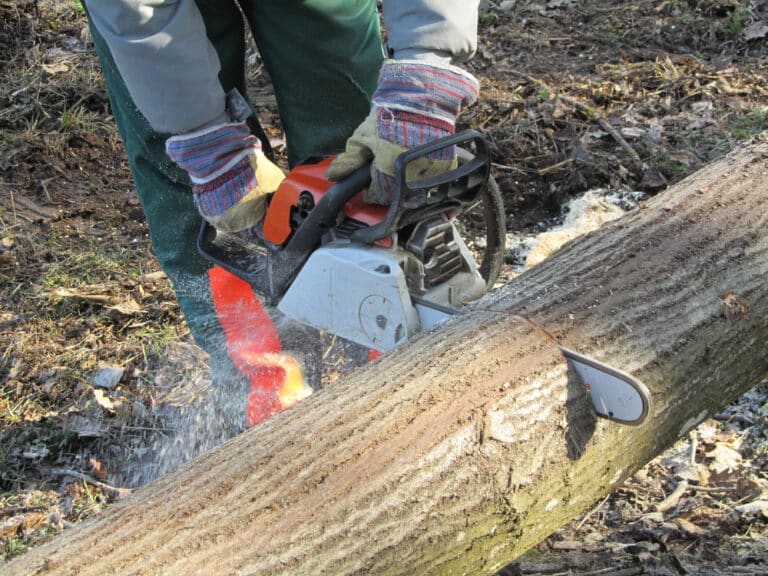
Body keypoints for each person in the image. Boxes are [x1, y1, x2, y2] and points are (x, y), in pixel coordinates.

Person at [82, 0, 481, 430]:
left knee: (352, 121)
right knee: (199, 188)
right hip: (142, 14)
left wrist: (426, 73)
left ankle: (398, 378)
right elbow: (137, 17)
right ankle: (268, 404)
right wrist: (204, 144)